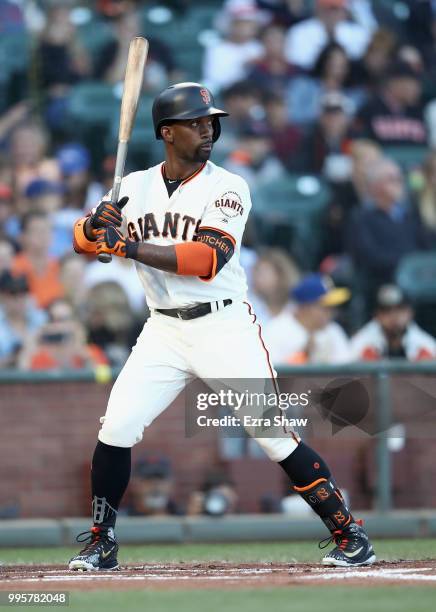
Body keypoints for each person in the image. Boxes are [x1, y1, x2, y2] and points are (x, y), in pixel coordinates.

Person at [69, 81, 375, 570]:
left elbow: (207, 256)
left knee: (272, 435)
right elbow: (83, 243)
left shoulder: (228, 185)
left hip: (223, 326)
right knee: (118, 427)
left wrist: (125, 246)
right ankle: (101, 541)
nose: (208, 129)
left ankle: (349, 533)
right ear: (167, 132)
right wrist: (93, 229)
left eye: (210, 121)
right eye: (195, 122)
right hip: (162, 330)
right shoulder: (132, 186)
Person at [346, 158, 433, 308]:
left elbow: (427, 246)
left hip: (420, 276)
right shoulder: (361, 217)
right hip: (383, 282)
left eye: (400, 178)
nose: (399, 183)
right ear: (374, 186)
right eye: (392, 179)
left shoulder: (411, 215)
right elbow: (369, 256)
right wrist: (407, 263)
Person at [263, 273, 351, 365]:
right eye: (325, 307)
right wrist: (304, 355)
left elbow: (348, 370)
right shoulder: (275, 332)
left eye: (332, 307)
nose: (331, 312)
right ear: (305, 307)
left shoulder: (334, 330)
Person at [351, 285, 436, 361]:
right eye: (386, 310)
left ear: (410, 313)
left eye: (400, 309)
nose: (394, 315)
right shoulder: (361, 343)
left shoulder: (425, 345)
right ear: (376, 315)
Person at [284, 0, 373, 71]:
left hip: (347, 84)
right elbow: (298, 63)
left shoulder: (357, 33)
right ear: (318, 10)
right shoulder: (299, 32)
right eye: (328, 9)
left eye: (336, 9)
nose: (332, 14)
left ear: (344, 12)